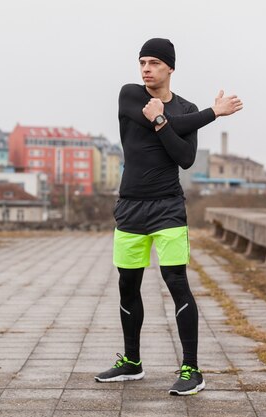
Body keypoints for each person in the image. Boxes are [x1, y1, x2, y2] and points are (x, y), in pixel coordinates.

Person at [94, 38, 243, 395]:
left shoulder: (186, 108)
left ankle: (192, 368)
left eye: (154, 63)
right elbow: (158, 120)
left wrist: (162, 121)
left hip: (167, 208)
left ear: (170, 68)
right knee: (127, 285)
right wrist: (212, 113)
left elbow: (184, 157)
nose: (146, 68)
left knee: (177, 283)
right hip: (130, 207)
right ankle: (132, 362)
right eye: (142, 61)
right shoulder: (130, 95)